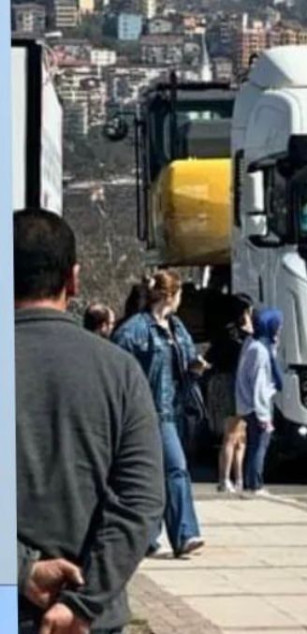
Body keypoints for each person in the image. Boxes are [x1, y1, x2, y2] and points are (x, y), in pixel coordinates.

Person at [14, 210, 165, 634]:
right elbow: (141, 500)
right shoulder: (119, 371)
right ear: (74, 279)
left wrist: (22, 569)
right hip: (90, 622)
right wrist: (84, 603)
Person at [113, 270, 208, 557]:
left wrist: (194, 367)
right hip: (148, 411)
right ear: (170, 296)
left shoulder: (176, 328)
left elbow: (186, 359)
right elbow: (120, 370)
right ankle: (185, 534)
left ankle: (149, 538)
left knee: (155, 475)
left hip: (174, 409)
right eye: (179, 295)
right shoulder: (134, 331)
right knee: (175, 469)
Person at [209, 293, 255, 493]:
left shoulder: (223, 333)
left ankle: (237, 478)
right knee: (232, 434)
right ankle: (225, 478)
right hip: (231, 383)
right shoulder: (236, 336)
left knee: (240, 435)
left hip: (228, 382)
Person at [236, 307, 284, 495]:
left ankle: (252, 482)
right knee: (259, 445)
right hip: (256, 406)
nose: (279, 329)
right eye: (277, 325)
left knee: (256, 444)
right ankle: (255, 484)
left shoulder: (255, 344)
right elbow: (259, 384)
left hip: (250, 405)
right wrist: (264, 415)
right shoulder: (260, 351)